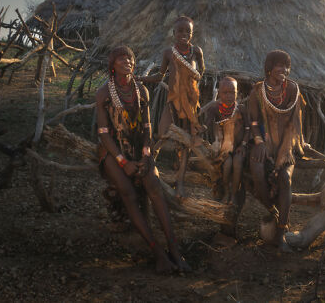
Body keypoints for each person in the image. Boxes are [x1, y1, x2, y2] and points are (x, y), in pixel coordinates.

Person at [96, 45, 190, 273]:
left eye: (129, 58)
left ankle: (174, 249)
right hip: (112, 151)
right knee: (128, 192)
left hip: (139, 149)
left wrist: (146, 154)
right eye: (121, 59)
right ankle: (158, 253)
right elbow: (103, 134)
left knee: (154, 186)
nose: (127, 62)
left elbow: (148, 128)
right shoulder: (104, 93)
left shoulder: (141, 91)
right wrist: (123, 162)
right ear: (112, 64)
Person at [139, 16, 204, 197]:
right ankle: (149, 171)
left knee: (185, 144)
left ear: (192, 34)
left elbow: (202, 71)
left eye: (187, 32)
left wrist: (192, 83)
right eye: (180, 31)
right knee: (162, 132)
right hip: (173, 100)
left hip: (190, 103)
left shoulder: (196, 51)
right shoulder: (169, 52)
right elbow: (160, 76)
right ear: (174, 33)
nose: (184, 34)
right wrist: (141, 79)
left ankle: (180, 182)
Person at [248, 50, 305, 252]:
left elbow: (293, 125)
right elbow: (253, 121)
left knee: (285, 179)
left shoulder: (293, 90)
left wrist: (284, 151)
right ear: (270, 68)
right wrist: (259, 142)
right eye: (279, 65)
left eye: (287, 66)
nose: (284, 69)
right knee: (256, 170)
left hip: (286, 144)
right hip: (263, 141)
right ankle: (273, 211)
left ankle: (281, 235)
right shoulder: (257, 91)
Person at [200, 77, 249, 205]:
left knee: (237, 164)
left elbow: (248, 129)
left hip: (239, 148)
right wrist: (200, 129)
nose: (229, 96)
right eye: (225, 93)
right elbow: (208, 123)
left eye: (232, 92)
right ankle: (225, 189)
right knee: (227, 165)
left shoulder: (241, 109)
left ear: (237, 93)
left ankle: (233, 195)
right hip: (223, 150)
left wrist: (243, 145)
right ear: (219, 93)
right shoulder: (215, 109)